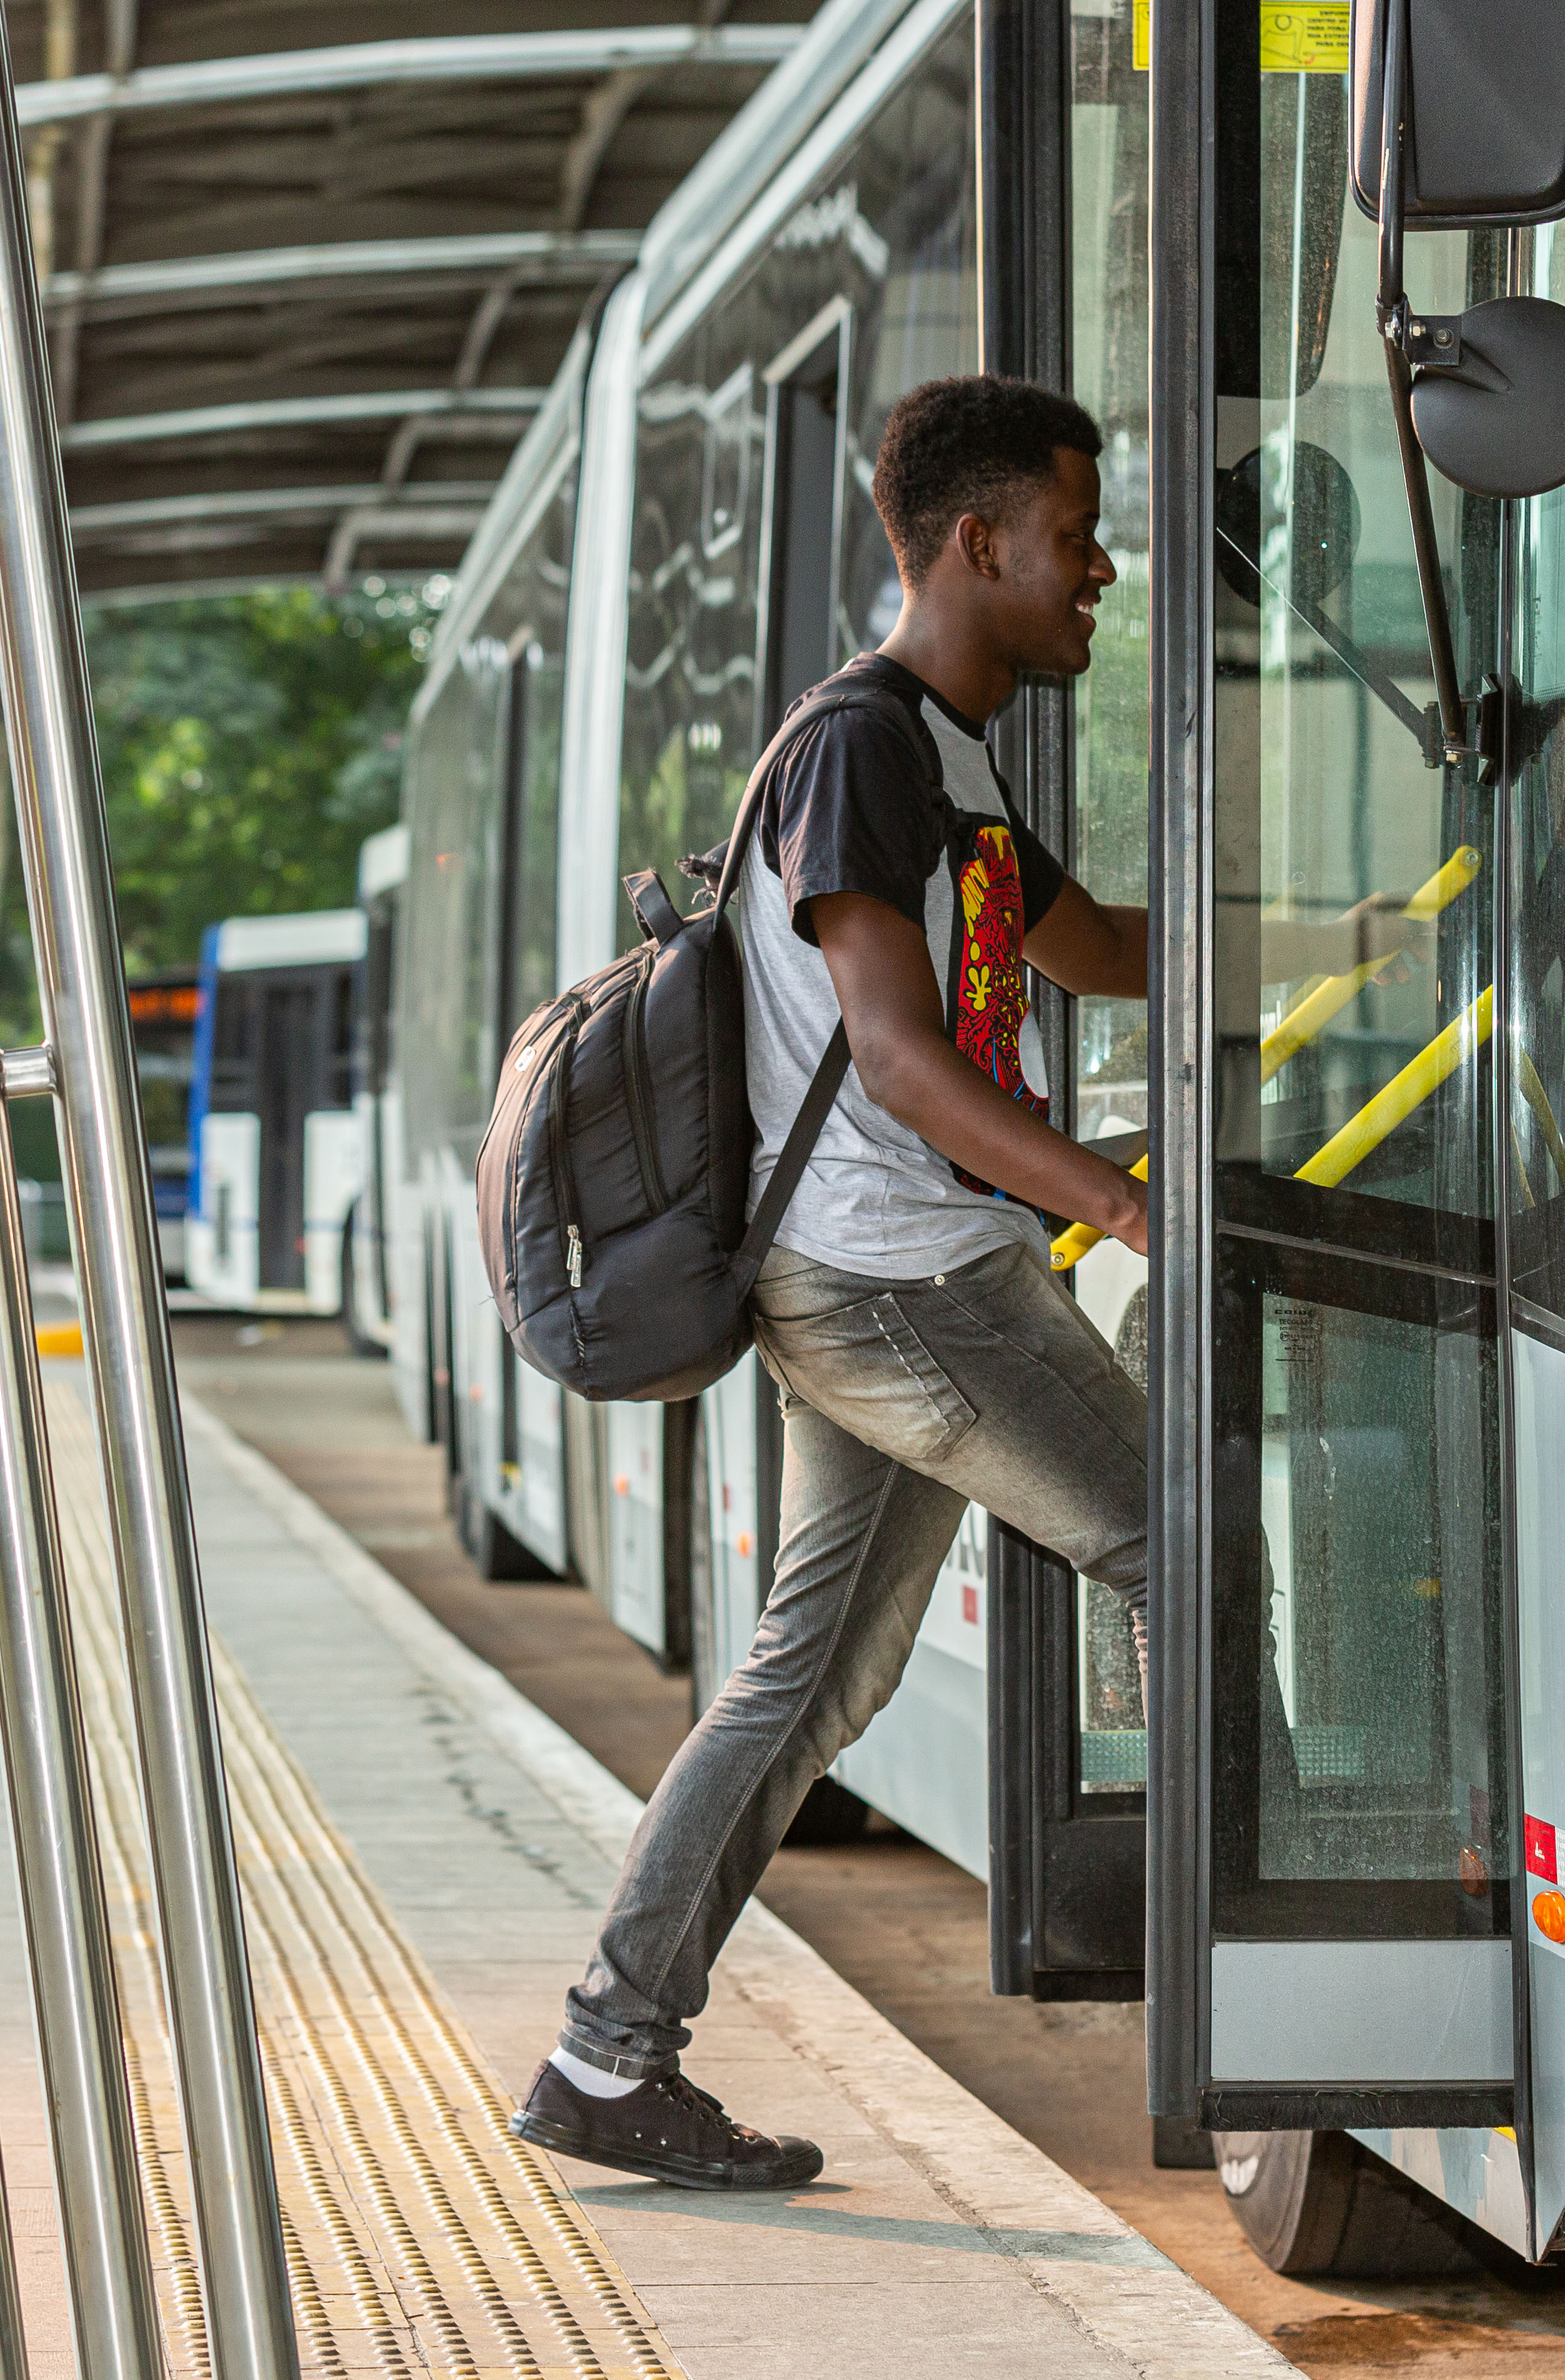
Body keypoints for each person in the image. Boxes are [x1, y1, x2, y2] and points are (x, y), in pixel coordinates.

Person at [511, 376, 1154, 2192]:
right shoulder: (861, 747)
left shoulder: (950, 753)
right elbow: (894, 1052)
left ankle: (604, 2052)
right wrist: (1116, 1201)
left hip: (881, 1278)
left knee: (801, 1685)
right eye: (1075, 536)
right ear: (978, 543)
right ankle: (1253, 1994)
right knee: (1183, 1548)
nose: (1100, 571)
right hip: (903, 1286)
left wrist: (1367, 930)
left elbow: (1081, 941)